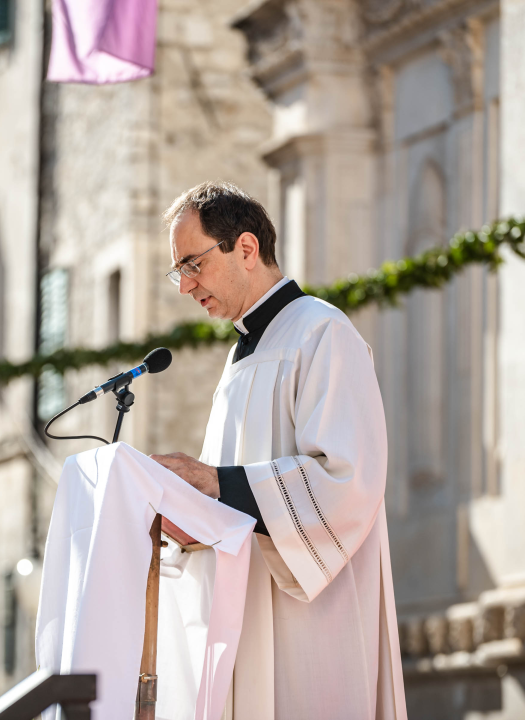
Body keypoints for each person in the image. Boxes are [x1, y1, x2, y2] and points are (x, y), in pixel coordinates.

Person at [151, 182, 407, 720]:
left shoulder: (321, 331)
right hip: (247, 616)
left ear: (245, 248)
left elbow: (347, 480)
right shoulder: (240, 358)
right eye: (179, 271)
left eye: (193, 264)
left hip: (312, 624)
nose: (186, 286)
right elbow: (232, 498)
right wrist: (192, 521)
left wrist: (215, 483)